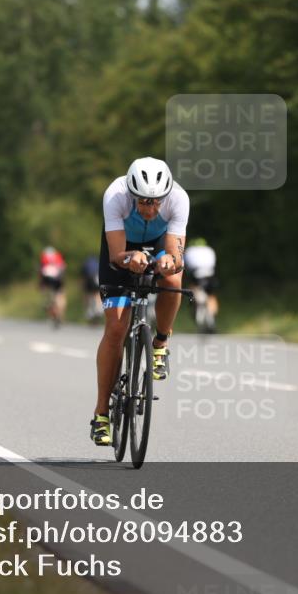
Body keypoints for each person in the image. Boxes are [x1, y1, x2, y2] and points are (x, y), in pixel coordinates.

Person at [90, 157, 188, 446]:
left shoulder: (179, 198)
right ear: (132, 195)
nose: (150, 208)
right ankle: (101, 414)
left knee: (173, 280)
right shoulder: (115, 195)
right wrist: (130, 259)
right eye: (143, 202)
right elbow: (115, 254)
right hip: (122, 247)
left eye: (156, 202)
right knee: (117, 329)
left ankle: (160, 344)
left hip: (158, 242)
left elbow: (175, 252)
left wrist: (170, 262)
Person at [183, 237, 219, 331]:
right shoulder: (209, 250)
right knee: (211, 295)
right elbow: (213, 264)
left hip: (196, 275)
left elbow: (186, 266)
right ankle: (213, 317)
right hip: (209, 275)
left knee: (193, 288)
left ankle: (194, 304)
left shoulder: (189, 250)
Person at [39, 246, 67, 326]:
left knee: (48, 296)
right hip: (58, 278)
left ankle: (51, 309)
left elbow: (40, 271)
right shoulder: (58, 256)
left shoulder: (44, 257)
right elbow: (63, 267)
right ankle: (60, 314)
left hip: (47, 278)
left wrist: (41, 285)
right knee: (60, 295)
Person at [80, 255, 101, 323]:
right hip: (97, 279)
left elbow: (83, 277)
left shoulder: (85, 264)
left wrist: (82, 286)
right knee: (97, 294)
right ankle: (98, 309)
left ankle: (89, 310)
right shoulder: (97, 263)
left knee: (87, 294)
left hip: (89, 279)